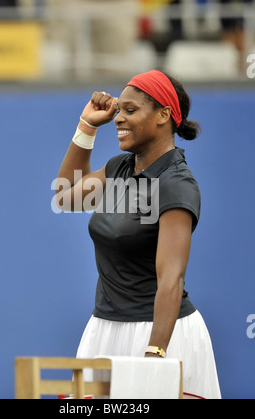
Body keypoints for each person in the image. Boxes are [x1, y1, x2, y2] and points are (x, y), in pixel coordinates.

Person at [55, 70, 221, 399]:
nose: (119, 119)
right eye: (119, 111)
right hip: (104, 328)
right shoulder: (119, 168)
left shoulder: (176, 184)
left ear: (163, 116)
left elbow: (171, 278)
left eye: (130, 111)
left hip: (158, 335)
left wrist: (155, 354)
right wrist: (87, 126)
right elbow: (66, 197)